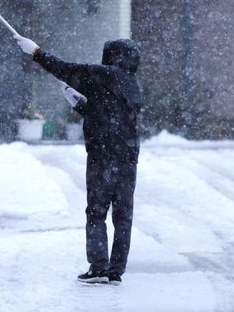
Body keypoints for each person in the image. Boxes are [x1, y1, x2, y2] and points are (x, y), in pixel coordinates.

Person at [15, 36, 141, 286]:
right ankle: (116, 270)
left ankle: (98, 267)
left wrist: (36, 52)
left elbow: (65, 69)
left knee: (96, 212)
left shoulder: (104, 75)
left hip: (102, 156)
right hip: (127, 159)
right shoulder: (132, 83)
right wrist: (78, 104)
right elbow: (108, 115)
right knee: (123, 216)